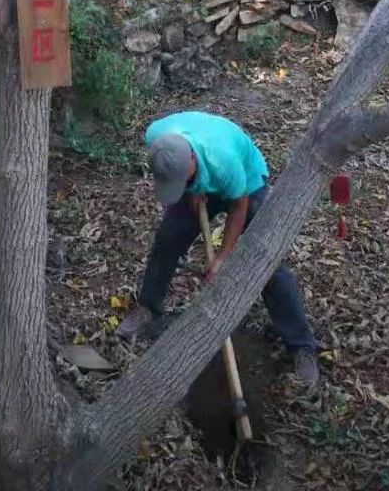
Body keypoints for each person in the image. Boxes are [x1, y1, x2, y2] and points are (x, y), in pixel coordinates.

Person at [117, 109, 319, 388]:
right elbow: (174, 172)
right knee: (168, 238)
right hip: (202, 175)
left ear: (192, 159)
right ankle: (149, 308)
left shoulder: (224, 162)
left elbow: (238, 207)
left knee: (266, 263)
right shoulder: (157, 138)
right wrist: (191, 188)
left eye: (182, 178)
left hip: (246, 186)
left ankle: (301, 345)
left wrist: (222, 257)